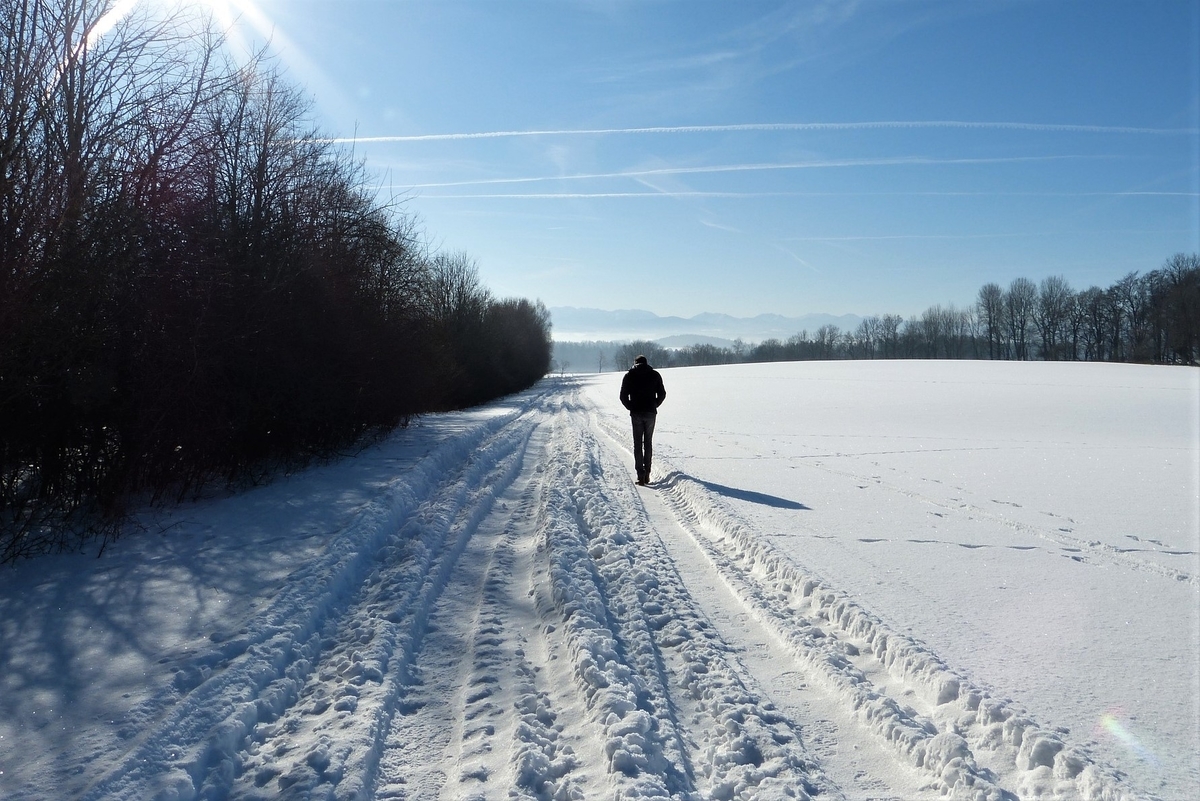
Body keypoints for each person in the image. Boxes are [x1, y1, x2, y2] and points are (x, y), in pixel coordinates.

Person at [619, 355, 666, 485]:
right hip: (650, 413)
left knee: (638, 444)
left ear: (635, 363)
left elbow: (623, 396)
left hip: (636, 413)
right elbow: (662, 394)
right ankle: (648, 473)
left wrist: (631, 407)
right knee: (648, 443)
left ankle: (640, 475)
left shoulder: (629, 375)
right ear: (646, 363)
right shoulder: (655, 375)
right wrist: (654, 404)